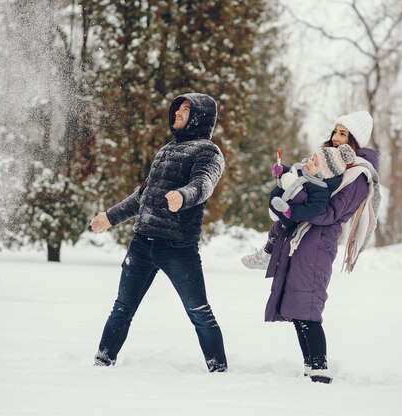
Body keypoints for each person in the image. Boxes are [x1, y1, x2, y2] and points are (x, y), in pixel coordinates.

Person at [89, 93, 228, 372]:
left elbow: (204, 184)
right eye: (177, 107)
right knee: (122, 308)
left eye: (186, 109)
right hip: (142, 244)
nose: (178, 112)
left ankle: (218, 368)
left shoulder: (208, 151)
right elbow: (143, 195)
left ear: (199, 117)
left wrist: (183, 196)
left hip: (178, 248)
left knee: (199, 312)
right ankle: (103, 360)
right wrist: (110, 218)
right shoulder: (165, 151)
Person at [263, 110, 380, 384]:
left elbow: (331, 213)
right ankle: (310, 367)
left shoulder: (358, 176)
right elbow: (304, 185)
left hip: (318, 243)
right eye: (336, 132)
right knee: (296, 305)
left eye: (344, 134)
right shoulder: (327, 164)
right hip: (301, 239)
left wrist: (297, 205)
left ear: (356, 143)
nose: (336, 138)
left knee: (308, 305)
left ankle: (319, 370)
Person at [241, 144, 356, 269]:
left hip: (293, 218)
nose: (310, 162)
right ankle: (267, 254)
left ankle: (267, 255)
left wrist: (290, 211)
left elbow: (313, 209)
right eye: (312, 158)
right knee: (274, 230)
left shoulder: (321, 190)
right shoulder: (304, 170)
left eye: (316, 164)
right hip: (280, 206)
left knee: (277, 231)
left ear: (324, 173)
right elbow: (292, 173)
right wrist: (281, 171)